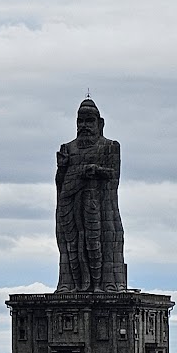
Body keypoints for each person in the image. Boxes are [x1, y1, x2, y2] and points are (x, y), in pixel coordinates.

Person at [55, 97, 127, 292]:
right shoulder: (68, 148)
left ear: (100, 123)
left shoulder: (110, 146)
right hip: (72, 205)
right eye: (80, 121)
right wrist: (62, 168)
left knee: (100, 243)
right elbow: (61, 183)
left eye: (89, 121)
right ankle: (70, 285)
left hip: (100, 206)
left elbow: (114, 175)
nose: (84, 126)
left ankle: (105, 284)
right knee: (71, 245)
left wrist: (95, 170)